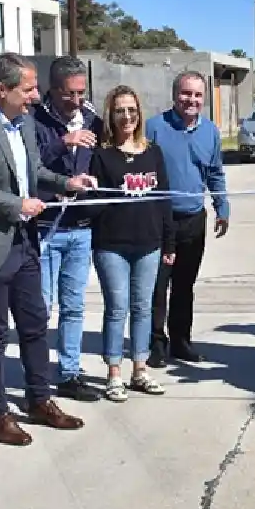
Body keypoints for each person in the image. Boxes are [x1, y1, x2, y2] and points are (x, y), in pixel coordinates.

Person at [0, 52, 96, 446]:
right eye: (28, 89)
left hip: (26, 243)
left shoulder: (25, 124)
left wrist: (67, 183)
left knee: (34, 325)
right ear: (2, 89)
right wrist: (16, 205)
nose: (35, 96)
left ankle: (39, 401)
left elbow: (35, 171)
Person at [88, 85, 174, 402]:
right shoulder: (102, 155)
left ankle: (140, 369)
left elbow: (164, 199)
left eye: (132, 110)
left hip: (149, 244)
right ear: (111, 115)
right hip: (112, 245)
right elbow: (94, 203)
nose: (127, 116)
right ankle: (114, 373)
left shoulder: (153, 152)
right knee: (117, 307)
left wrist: (169, 242)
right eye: (120, 111)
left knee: (143, 307)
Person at [145, 71, 230, 366]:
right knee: (157, 287)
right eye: (185, 93)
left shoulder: (211, 132)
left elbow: (215, 173)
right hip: (159, 221)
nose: (191, 100)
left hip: (193, 220)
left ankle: (181, 342)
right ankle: (156, 344)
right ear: (174, 95)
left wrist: (222, 207)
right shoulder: (154, 128)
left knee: (184, 286)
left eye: (197, 95)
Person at [33, 55, 104, 403]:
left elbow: (104, 160)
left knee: (74, 306)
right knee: (40, 308)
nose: (76, 100)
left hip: (80, 227)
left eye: (81, 93)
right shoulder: (33, 118)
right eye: (69, 94)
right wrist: (64, 142)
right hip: (45, 227)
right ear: (53, 89)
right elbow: (28, 164)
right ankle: (36, 377)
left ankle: (70, 373)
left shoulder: (92, 118)